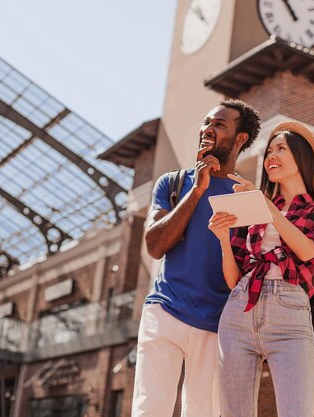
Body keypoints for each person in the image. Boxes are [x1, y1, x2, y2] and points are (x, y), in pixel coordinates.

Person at [131, 99, 261, 417]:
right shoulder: (173, 184)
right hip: (164, 311)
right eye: (206, 122)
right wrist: (197, 191)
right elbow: (154, 245)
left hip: (215, 325)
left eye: (219, 125)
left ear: (240, 138)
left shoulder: (247, 197)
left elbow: (245, 274)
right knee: (149, 410)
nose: (207, 129)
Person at [208, 121, 314, 417]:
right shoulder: (253, 212)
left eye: (281, 148)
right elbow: (234, 279)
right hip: (239, 311)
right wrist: (222, 238)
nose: (272, 155)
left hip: (290, 315)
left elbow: (308, 250)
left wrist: (266, 206)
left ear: (302, 158)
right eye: (269, 150)